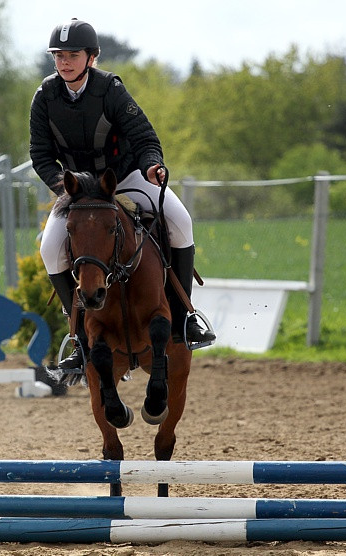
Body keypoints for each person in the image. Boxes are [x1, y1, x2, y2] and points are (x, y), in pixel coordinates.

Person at [30, 18, 215, 370]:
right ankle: (80, 339)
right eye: (58, 55)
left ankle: (184, 319)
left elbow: (146, 138)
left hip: (125, 176)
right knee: (50, 248)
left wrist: (152, 166)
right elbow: (40, 154)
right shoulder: (45, 97)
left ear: (91, 57)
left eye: (72, 54)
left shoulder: (111, 89)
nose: (64, 61)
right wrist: (65, 188)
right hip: (80, 191)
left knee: (180, 222)